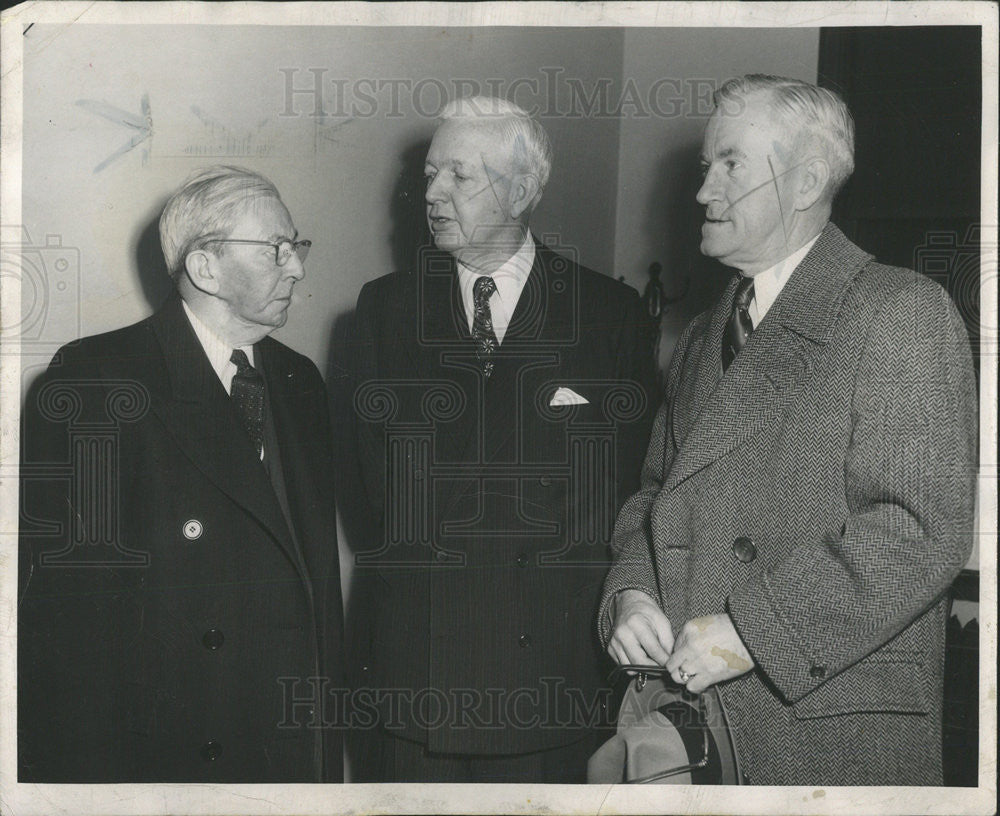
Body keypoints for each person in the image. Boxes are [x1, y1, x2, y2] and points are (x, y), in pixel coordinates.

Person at [599, 74, 978, 786]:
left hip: (821, 736)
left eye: (731, 165)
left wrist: (752, 631)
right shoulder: (702, 335)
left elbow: (919, 529)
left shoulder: (900, 311)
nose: (704, 192)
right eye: (705, 167)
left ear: (805, 183)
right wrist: (632, 594)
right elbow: (651, 500)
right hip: (690, 723)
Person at [352, 96, 656, 782]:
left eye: (459, 176)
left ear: (522, 190)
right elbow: (370, 492)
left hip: (548, 679)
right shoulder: (383, 310)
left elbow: (630, 490)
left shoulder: (609, 315)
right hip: (416, 679)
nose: (430, 194)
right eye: (429, 175)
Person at [18, 166, 344, 782]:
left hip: (283, 749)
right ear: (205, 268)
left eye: (295, 246)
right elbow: (67, 635)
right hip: (171, 759)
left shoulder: (301, 381)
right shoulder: (97, 381)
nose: (296, 266)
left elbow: (315, 596)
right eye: (275, 249)